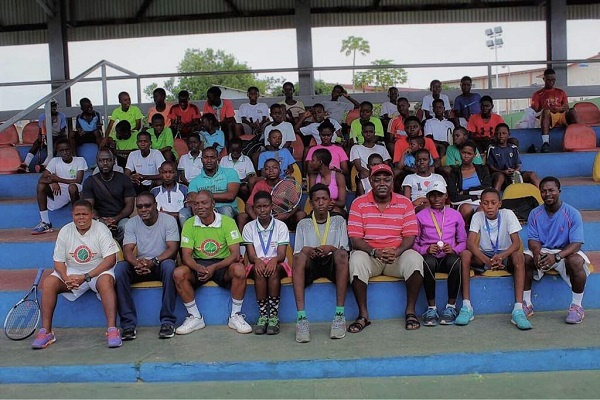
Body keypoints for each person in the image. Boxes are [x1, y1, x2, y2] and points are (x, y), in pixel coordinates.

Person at [31, 200, 121, 349]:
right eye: (77, 214)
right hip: (72, 273)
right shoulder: (65, 231)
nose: (81, 217)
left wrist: (86, 277)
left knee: (106, 281)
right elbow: (58, 262)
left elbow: (110, 260)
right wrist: (66, 279)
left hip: (97, 270)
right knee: (49, 283)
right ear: (72, 215)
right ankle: (46, 332)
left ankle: (112, 330)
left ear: (92, 215)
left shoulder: (101, 229)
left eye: (85, 214)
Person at [347, 164, 424, 332]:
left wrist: (397, 251)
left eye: (386, 179)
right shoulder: (358, 203)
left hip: (395, 256)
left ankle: (410, 311)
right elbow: (355, 239)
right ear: (370, 182)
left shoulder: (404, 203)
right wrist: (375, 252)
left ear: (393, 182)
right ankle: (363, 315)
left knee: (415, 259)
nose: (382, 183)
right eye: (377, 180)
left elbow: (410, 235)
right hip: (371, 255)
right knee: (356, 259)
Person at [174, 190, 251, 335]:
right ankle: (195, 317)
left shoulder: (227, 222)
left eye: (204, 203)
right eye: (196, 204)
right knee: (179, 273)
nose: (199, 207)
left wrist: (214, 267)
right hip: (199, 264)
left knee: (239, 269)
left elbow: (235, 254)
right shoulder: (189, 224)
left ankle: (235, 316)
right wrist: (198, 267)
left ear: (213, 204)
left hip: (222, 263)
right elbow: (186, 256)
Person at [456, 189, 532, 330]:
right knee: (465, 254)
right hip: (485, 255)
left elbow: (516, 243)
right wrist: (485, 260)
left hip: (505, 254)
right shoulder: (478, 216)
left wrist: (502, 256)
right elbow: (470, 243)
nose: (489, 207)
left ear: (500, 204)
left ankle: (518, 309)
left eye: (493, 203)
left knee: (519, 256)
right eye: (485, 203)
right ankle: (467, 306)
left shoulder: (508, 214)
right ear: (480, 204)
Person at [523, 177, 590, 324]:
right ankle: (526, 303)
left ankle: (577, 306)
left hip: (565, 251)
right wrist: (536, 253)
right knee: (523, 258)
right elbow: (533, 239)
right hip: (544, 250)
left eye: (551, 190)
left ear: (559, 191)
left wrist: (557, 257)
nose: (547, 194)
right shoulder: (535, 213)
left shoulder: (572, 213)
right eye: (544, 191)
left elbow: (576, 244)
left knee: (577, 261)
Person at [115, 192, 180, 340]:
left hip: (160, 264)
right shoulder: (131, 223)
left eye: (147, 205)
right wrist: (136, 263)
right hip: (141, 265)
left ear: (155, 205)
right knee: (120, 269)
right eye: (139, 207)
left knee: (170, 267)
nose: (143, 209)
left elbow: (172, 249)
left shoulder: (168, 221)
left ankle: (167, 322)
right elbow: (127, 250)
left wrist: (154, 261)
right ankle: (128, 325)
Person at [293, 183, 350, 343]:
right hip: (311, 263)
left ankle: (339, 315)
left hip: (332, 262)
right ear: (311, 202)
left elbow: (344, 248)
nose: (320, 202)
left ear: (330, 201)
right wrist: (307, 250)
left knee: (342, 255)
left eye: (324, 199)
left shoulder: (339, 220)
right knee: (298, 258)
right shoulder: (303, 223)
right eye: (316, 199)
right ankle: (301, 319)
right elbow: (298, 251)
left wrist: (331, 248)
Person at [414, 182, 466, 326]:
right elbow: (414, 243)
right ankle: (431, 308)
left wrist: (454, 249)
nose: (436, 199)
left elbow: (463, 241)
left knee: (456, 262)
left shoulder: (455, 215)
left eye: (440, 195)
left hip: (447, 257)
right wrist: (425, 250)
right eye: (433, 195)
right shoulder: (420, 216)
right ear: (428, 197)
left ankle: (451, 307)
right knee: (427, 262)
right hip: (430, 256)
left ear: (446, 196)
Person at [242, 191, 290, 335]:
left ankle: (273, 317)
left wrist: (273, 260)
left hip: (278, 263)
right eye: (258, 207)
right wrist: (258, 261)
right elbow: (251, 256)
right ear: (254, 208)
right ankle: (263, 316)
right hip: (256, 263)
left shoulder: (281, 226)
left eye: (265, 206)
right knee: (259, 272)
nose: (262, 210)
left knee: (273, 271)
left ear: (272, 207)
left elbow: (281, 254)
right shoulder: (248, 227)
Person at [32, 139, 88, 235]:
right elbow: (41, 179)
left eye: (67, 150)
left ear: (71, 149)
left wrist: (57, 179)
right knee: (41, 186)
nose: (65, 153)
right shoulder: (54, 161)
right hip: (59, 192)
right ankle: (46, 222)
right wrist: (53, 181)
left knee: (72, 187)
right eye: (61, 151)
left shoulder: (80, 160)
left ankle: (77, 222)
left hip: (75, 189)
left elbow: (78, 180)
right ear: (58, 152)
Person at [82, 149, 136, 244]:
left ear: (113, 161)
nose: (105, 163)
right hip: (98, 218)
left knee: (126, 226)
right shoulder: (90, 182)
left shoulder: (124, 179)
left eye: (108, 160)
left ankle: (121, 254)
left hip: (121, 218)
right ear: (97, 162)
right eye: (101, 160)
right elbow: (89, 207)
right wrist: (101, 220)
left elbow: (130, 206)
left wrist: (115, 219)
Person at [238, 159, 306, 229]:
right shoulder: (259, 185)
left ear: (280, 170)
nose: (271, 170)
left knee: (301, 214)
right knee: (242, 217)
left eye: (275, 168)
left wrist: (286, 215)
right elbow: (249, 206)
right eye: (267, 168)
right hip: (263, 216)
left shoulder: (287, 184)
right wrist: (257, 220)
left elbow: (296, 205)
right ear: (264, 172)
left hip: (282, 215)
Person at [179, 147, 240, 223]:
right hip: (204, 210)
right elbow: (192, 199)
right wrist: (218, 197)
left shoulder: (230, 173)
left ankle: (225, 234)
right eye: (206, 157)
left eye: (212, 157)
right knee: (183, 212)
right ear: (201, 160)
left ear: (218, 159)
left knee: (226, 209)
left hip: (225, 209)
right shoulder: (195, 181)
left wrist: (204, 196)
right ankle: (188, 234)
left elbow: (230, 196)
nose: (209, 161)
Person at [531, 68, 578, 153]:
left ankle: (579, 138)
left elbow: (566, 106)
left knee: (572, 111)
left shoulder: (561, 92)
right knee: (545, 111)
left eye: (553, 80)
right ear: (544, 79)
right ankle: (545, 143)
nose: (551, 82)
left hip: (561, 115)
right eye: (548, 80)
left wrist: (559, 109)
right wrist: (549, 109)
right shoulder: (538, 94)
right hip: (548, 116)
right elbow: (536, 111)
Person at [447, 141, 491, 225]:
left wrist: (466, 192)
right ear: (460, 153)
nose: (466, 156)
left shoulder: (482, 169)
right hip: (464, 203)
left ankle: (477, 237)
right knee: (466, 209)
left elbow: (487, 189)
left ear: (474, 155)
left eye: (469, 153)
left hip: (481, 202)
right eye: (464, 153)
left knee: (481, 210)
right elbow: (454, 197)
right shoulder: (454, 173)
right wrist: (475, 196)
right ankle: (462, 234)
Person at [487, 123, 540, 191]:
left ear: (509, 135)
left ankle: (540, 197)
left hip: (513, 174)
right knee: (500, 177)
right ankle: (495, 198)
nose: (501, 136)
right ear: (495, 135)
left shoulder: (513, 147)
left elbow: (518, 165)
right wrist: (503, 171)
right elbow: (490, 167)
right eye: (498, 133)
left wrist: (515, 171)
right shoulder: (492, 148)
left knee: (532, 175)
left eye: (504, 133)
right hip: (500, 174)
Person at [20, 100, 68, 172]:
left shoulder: (61, 115)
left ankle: (44, 166)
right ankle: (25, 164)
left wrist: (51, 138)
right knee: (37, 143)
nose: (54, 107)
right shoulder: (42, 117)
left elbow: (63, 131)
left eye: (55, 105)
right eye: (52, 106)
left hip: (58, 137)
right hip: (47, 136)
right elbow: (41, 129)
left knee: (55, 145)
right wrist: (42, 138)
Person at [350, 122, 392, 195]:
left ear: (374, 133)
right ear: (362, 133)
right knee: (363, 174)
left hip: (381, 173)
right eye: (366, 132)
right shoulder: (356, 148)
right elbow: (359, 167)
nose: (368, 134)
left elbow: (386, 166)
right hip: (364, 174)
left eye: (371, 132)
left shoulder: (382, 148)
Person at [402, 149, 446, 213]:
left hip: (435, 205)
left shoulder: (438, 177)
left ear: (430, 161)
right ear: (415, 162)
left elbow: (444, 197)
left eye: (425, 159)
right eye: (418, 160)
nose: (421, 162)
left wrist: (425, 200)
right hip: (415, 208)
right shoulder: (409, 178)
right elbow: (406, 201)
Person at [308, 149, 347, 216]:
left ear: (320, 162)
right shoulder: (313, 176)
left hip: (336, 208)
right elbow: (312, 198)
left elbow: (342, 202)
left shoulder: (338, 176)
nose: (310, 162)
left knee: (335, 211)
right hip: (318, 208)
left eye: (313, 160)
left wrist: (331, 203)